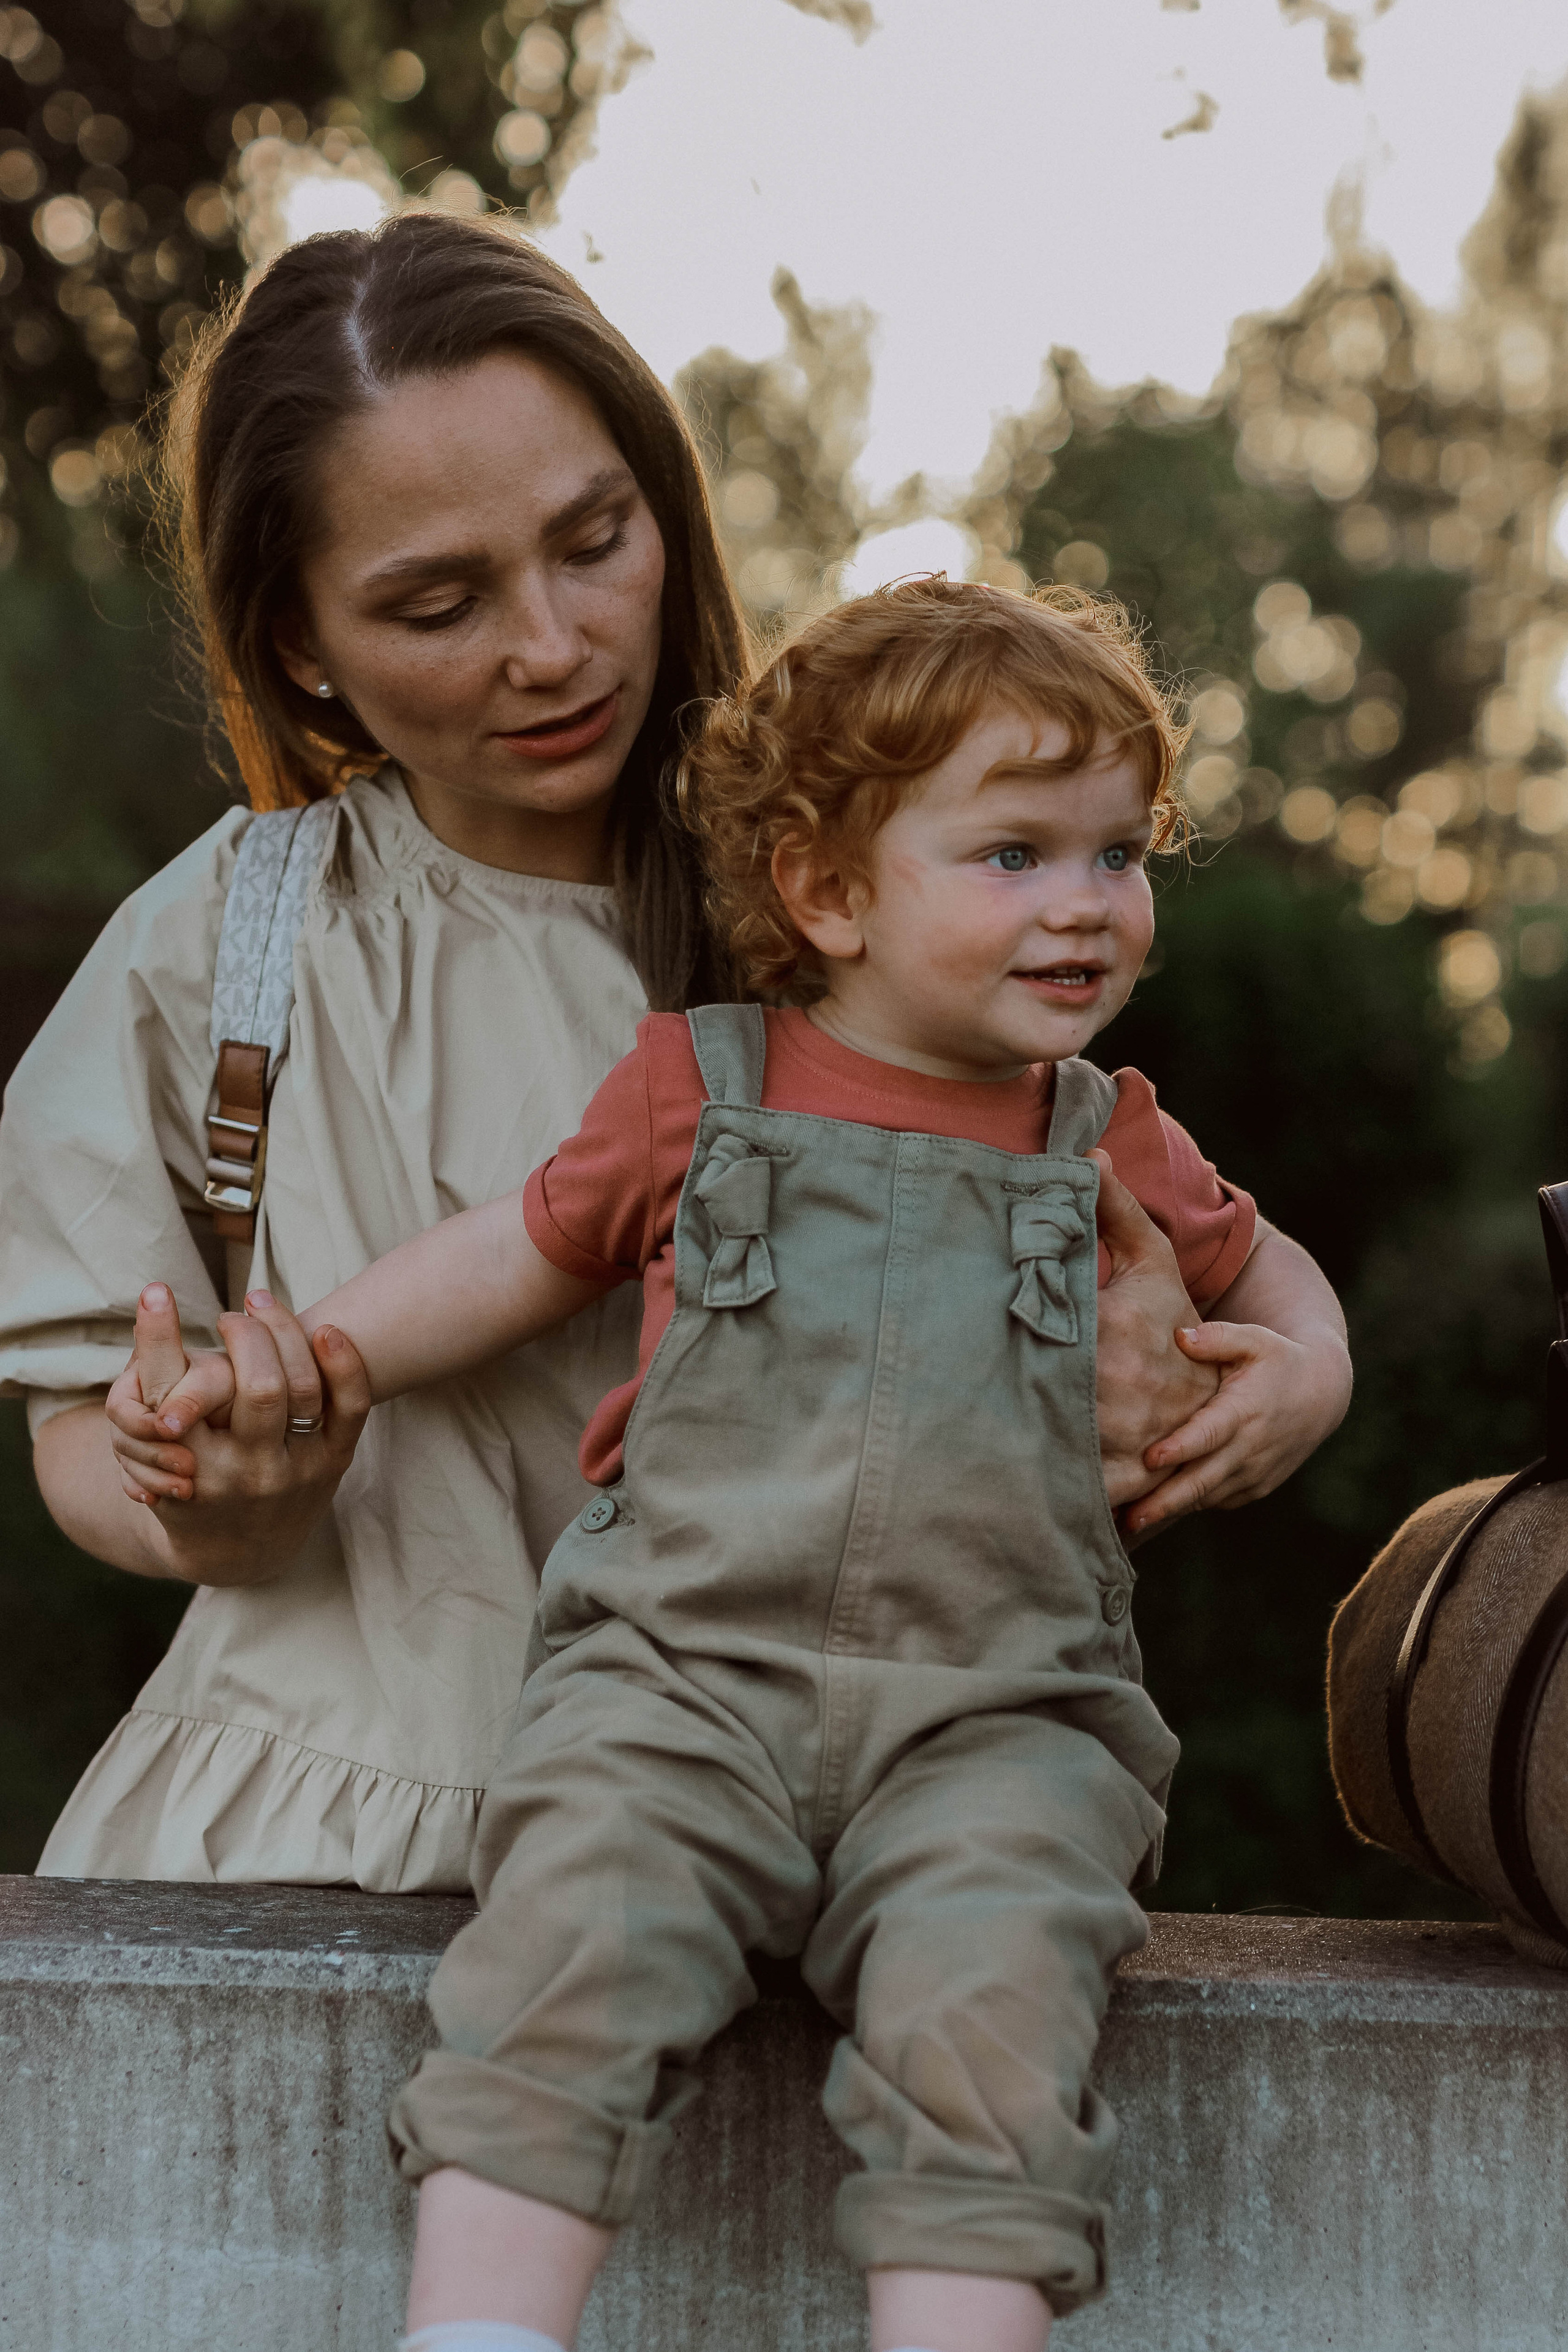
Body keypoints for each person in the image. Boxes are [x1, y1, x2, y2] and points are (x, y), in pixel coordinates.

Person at [1, 213, 1330, 1896]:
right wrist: (216, 1502)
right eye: (436, 601)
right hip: (319, 1850)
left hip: (816, 1877)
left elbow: (1139, 1264)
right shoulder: (224, 946)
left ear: (666, 508)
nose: (551, 646)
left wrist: (1144, 1385)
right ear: (298, 644)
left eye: (593, 540)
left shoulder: (877, 901)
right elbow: (79, 1435)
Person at [130, 578, 1352, 2352]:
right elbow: (507, 1257)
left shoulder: (1113, 1136)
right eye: (1012, 855)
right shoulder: (702, 1091)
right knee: (571, 1934)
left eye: (1116, 853)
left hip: (999, 1716)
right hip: (678, 1684)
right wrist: (309, 1361)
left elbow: (1274, 1272)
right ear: (827, 892)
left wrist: (1306, 1372)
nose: (1085, 905)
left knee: (994, 2008)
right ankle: (476, 2337)